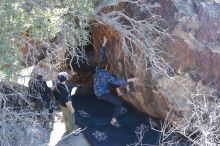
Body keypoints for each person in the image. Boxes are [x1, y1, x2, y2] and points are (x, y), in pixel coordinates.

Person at [94, 36, 138, 128]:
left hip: (98, 90)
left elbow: (101, 56)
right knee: (119, 104)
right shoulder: (106, 75)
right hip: (102, 94)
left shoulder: (98, 68)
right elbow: (117, 82)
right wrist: (131, 79)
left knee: (114, 77)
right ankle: (113, 121)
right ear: (106, 67)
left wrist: (104, 43)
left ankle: (118, 93)